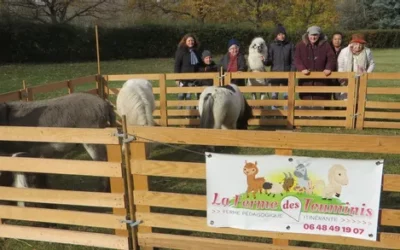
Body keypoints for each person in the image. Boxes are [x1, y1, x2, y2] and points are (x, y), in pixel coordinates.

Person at [294, 26, 337, 108]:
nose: (313, 37)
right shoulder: (300, 45)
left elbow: (332, 58)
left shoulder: (326, 45)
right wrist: (302, 68)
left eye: (315, 35)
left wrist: (328, 68)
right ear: (308, 35)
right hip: (305, 79)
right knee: (305, 98)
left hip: (321, 79)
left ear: (319, 35)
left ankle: (321, 118)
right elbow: (297, 58)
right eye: (311, 35)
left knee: (321, 98)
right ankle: (305, 118)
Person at [265, 24, 296, 110]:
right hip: (275, 74)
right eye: (279, 34)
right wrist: (264, 61)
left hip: (287, 75)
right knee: (274, 95)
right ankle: (274, 114)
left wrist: (292, 72)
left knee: (286, 95)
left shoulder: (290, 45)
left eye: (283, 34)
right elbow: (269, 61)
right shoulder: (272, 46)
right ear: (276, 35)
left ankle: (287, 113)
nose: (281, 36)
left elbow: (294, 60)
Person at [336, 33, 375, 100]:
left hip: (361, 79)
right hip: (347, 80)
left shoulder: (367, 51)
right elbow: (340, 65)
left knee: (360, 99)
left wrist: (367, 74)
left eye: (360, 44)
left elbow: (372, 64)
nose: (358, 46)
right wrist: (342, 76)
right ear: (352, 43)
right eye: (356, 43)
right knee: (346, 100)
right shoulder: (344, 51)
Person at [174, 33, 203, 109]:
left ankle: (188, 113)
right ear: (185, 41)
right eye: (189, 40)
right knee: (181, 95)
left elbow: (199, 64)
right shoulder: (181, 51)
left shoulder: (196, 52)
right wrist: (177, 78)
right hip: (183, 78)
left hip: (192, 78)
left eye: (192, 40)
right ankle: (179, 112)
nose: (191, 42)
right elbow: (177, 65)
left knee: (188, 95)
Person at [329, 31, 345, 102]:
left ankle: (339, 110)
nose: (337, 41)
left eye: (339, 39)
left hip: (340, 76)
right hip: (329, 75)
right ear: (332, 40)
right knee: (328, 95)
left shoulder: (345, 50)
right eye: (335, 39)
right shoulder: (328, 49)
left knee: (338, 96)